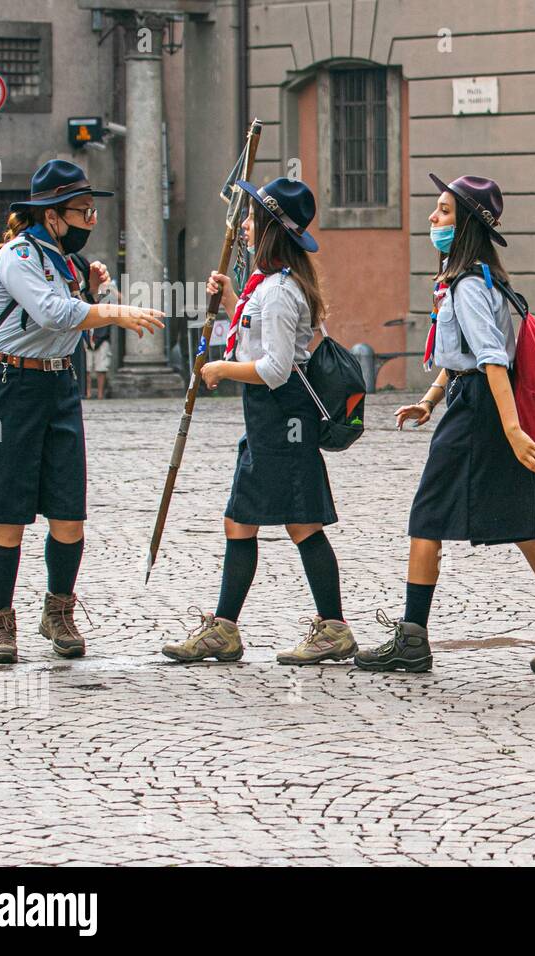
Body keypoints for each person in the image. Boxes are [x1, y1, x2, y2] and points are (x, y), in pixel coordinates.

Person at [354, 174, 535, 676]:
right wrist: (429, 400)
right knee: (526, 524)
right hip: (482, 403)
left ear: (465, 223)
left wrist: (513, 432)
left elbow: (490, 360)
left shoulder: (468, 285)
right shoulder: (485, 280)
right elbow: (463, 354)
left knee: (426, 518)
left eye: (443, 211)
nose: (432, 218)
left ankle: (411, 638)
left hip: (481, 410)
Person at [0, 159, 165, 663]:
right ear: (51, 215)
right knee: (7, 516)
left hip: (56, 384)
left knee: (68, 514)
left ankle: (57, 610)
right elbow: (53, 313)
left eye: (93, 212)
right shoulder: (18, 255)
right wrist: (110, 309)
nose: (91, 221)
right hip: (7, 385)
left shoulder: (64, 262)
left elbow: (76, 330)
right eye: (84, 211)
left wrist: (93, 295)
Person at [161, 177, 359, 666]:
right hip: (270, 418)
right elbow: (261, 341)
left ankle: (327, 628)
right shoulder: (269, 288)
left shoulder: (277, 292)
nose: (244, 226)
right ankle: (227, 629)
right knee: (249, 520)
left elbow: (272, 368)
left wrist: (219, 369)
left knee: (296, 523)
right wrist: (231, 298)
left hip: (281, 415)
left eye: (252, 218)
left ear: (272, 229)